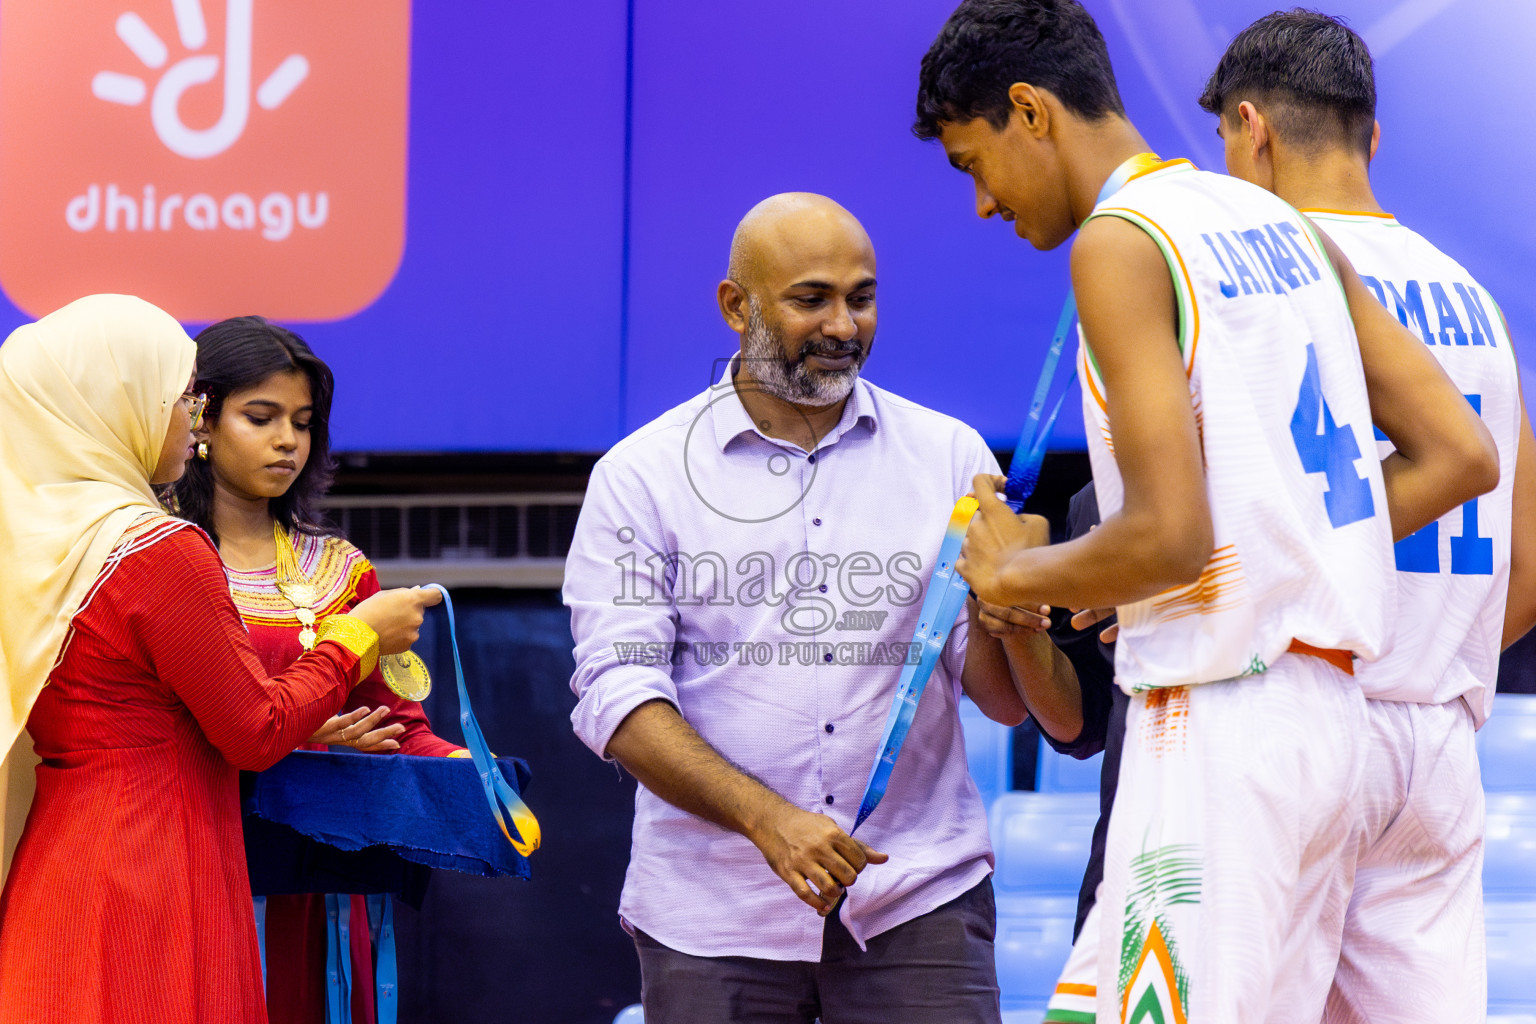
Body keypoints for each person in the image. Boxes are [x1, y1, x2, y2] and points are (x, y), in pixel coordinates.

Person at [913, 2, 1498, 1020]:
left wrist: (1011, 572)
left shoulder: (1119, 240)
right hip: (1328, 727)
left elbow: (1170, 538)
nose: (981, 204)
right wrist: (1265, 550)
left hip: (1221, 723)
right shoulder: (1279, 223)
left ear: (1029, 110)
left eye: (974, 163)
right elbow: (1460, 454)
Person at [564, 193, 1027, 1023]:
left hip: (916, 899)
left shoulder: (951, 456)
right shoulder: (641, 477)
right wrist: (769, 821)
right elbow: (619, 699)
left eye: (863, 296)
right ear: (735, 306)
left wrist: (1011, 609)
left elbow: (998, 697)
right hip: (713, 915)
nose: (844, 326)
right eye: (811, 298)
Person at [1199, 12, 1536, 1021]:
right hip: (1436, 740)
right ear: (1372, 137)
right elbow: (1528, 560)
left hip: (1301, 719)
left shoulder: (1256, 282)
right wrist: (1433, 667)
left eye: (1221, 138)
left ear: (1249, 125)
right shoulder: (1478, 300)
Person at [0, 294, 438, 1023]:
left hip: (58, 859)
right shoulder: (157, 548)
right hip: (158, 869)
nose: (188, 420)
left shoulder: (31, 547)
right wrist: (357, 635)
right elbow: (255, 730)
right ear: (121, 404)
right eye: (177, 399)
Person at [169, 315, 466, 1024]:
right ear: (200, 419)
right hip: (194, 860)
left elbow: (400, 727)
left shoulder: (339, 571)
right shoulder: (153, 554)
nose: (286, 441)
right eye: (261, 417)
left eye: (302, 423)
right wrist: (302, 731)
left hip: (315, 890)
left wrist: (470, 775)